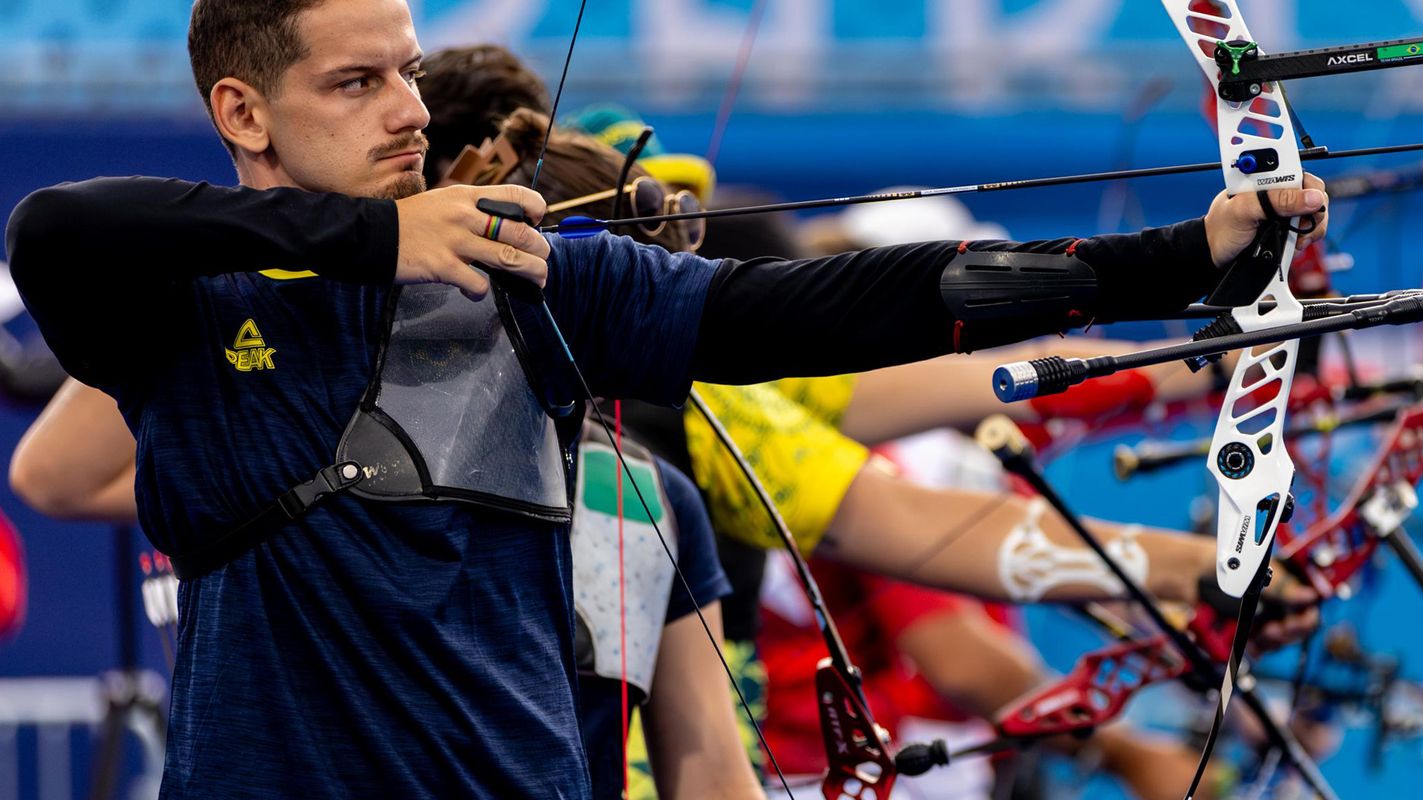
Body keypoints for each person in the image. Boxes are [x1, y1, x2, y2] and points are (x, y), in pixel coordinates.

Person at [3, 3, 1329, 797]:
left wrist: (1173, 261)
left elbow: (835, 308)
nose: (405, 109)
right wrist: (371, 246)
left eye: (406, 69)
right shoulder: (188, 320)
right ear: (242, 110)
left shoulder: (545, 284)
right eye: (355, 82)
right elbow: (58, 225)